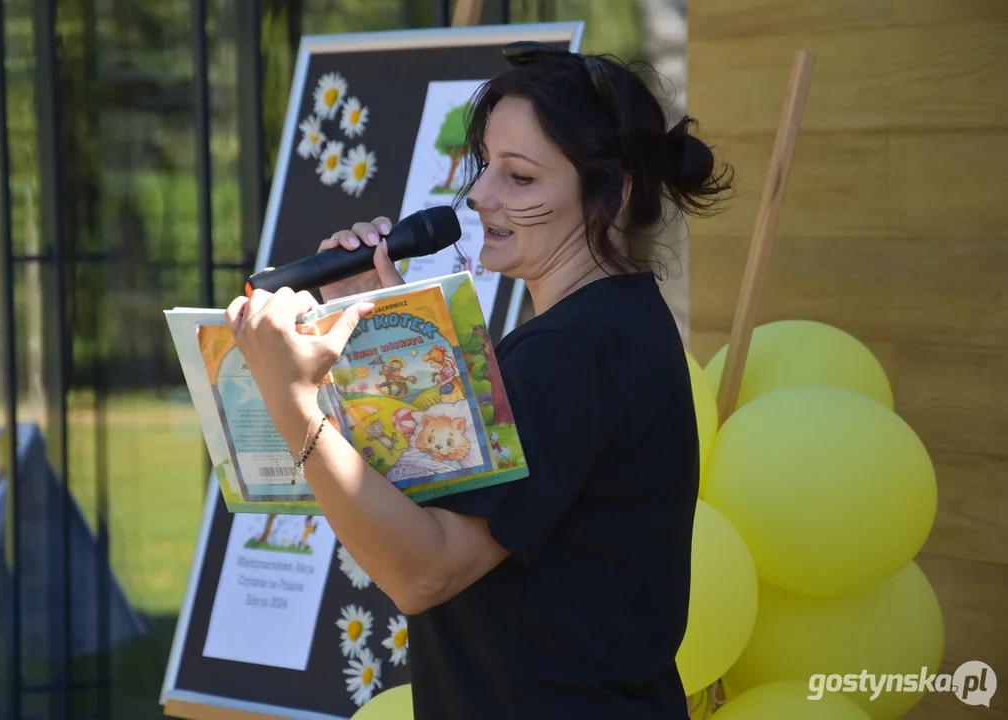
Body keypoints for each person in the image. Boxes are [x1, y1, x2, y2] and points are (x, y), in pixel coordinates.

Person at [226, 41, 731, 720]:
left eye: (520, 178)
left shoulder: (573, 353)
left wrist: (290, 401)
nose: (481, 195)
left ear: (614, 195)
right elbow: (447, 495)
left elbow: (423, 570)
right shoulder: (613, 323)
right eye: (486, 164)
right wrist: (373, 321)